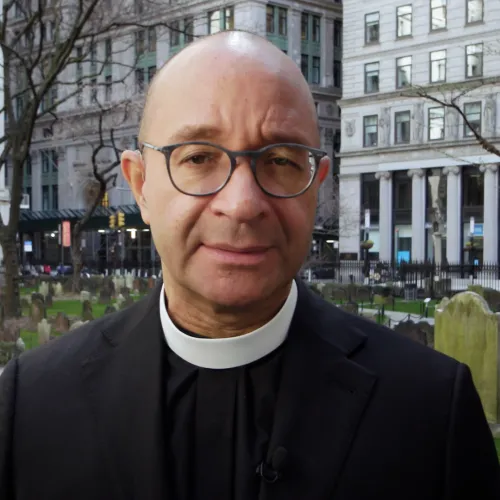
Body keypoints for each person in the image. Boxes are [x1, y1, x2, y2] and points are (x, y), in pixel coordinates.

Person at [0, 31, 499, 500]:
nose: (241, 204)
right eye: (197, 158)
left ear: (316, 182)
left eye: (280, 160)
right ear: (140, 185)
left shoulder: (432, 407)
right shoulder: (28, 405)